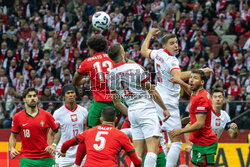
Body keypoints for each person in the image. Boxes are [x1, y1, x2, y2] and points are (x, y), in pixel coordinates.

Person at [140, 28, 213, 167]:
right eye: (172, 43)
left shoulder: (159, 53)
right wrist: (201, 71)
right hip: (168, 102)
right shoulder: (171, 60)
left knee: (159, 136)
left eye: (176, 42)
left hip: (158, 99)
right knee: (177, 141)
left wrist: (149, 34)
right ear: (165, 45)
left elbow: (144, 51)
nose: (176, 45)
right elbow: (178, 76)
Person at [106, 44, 170, 167]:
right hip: (146, 109)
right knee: (153, 149)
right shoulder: (134, 67)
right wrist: (164, 109)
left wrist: (130, 111)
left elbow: (117, 103)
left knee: (138, 153)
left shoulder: (110, 75)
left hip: (132, 111)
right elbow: (152, 90)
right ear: (121, 55)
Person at [59, 107, 142, 167]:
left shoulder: (88, 132)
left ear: (101, 119)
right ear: (116, 119)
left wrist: (63, 152)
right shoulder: (121, 135)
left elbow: (66, 144)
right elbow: (136, 161)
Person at [72, 35, 125, 128]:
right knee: (112, 130)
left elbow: (75, 79)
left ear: (92, 49)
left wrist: (80, 82)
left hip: (100, 102)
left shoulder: (87, 62)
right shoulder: (113, 57)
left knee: (89, 130)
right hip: (118, 101)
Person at [171, 70, 218, 167]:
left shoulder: (201, 98)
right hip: (198, 141)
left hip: (205, 143)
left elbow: (200, 124)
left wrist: (181, 130)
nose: (191, 80)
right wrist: (180, 81)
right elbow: (189, 91)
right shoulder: (197, 93)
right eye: (191, 77)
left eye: (195, 78)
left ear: (202, 82)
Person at [9, 87, 59, 167]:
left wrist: (53, 145)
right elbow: (13, 136)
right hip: (27, 159)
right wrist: (12, 148)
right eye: (29, 96)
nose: (33, 98)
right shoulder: (17, 117)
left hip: (46, 157)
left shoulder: (46, 115)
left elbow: (58, 131)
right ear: (24, 99)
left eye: (34, 96)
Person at [47, 84, 88, 167]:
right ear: (64, 96)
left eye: (72, 92)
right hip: (62, 152)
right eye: (68, 93)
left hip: (80, 152)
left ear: (75, 94)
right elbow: (50, 133)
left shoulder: (84, 111)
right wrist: (51, 150)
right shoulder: (58, 113)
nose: (70, 95)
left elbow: (87, 132)